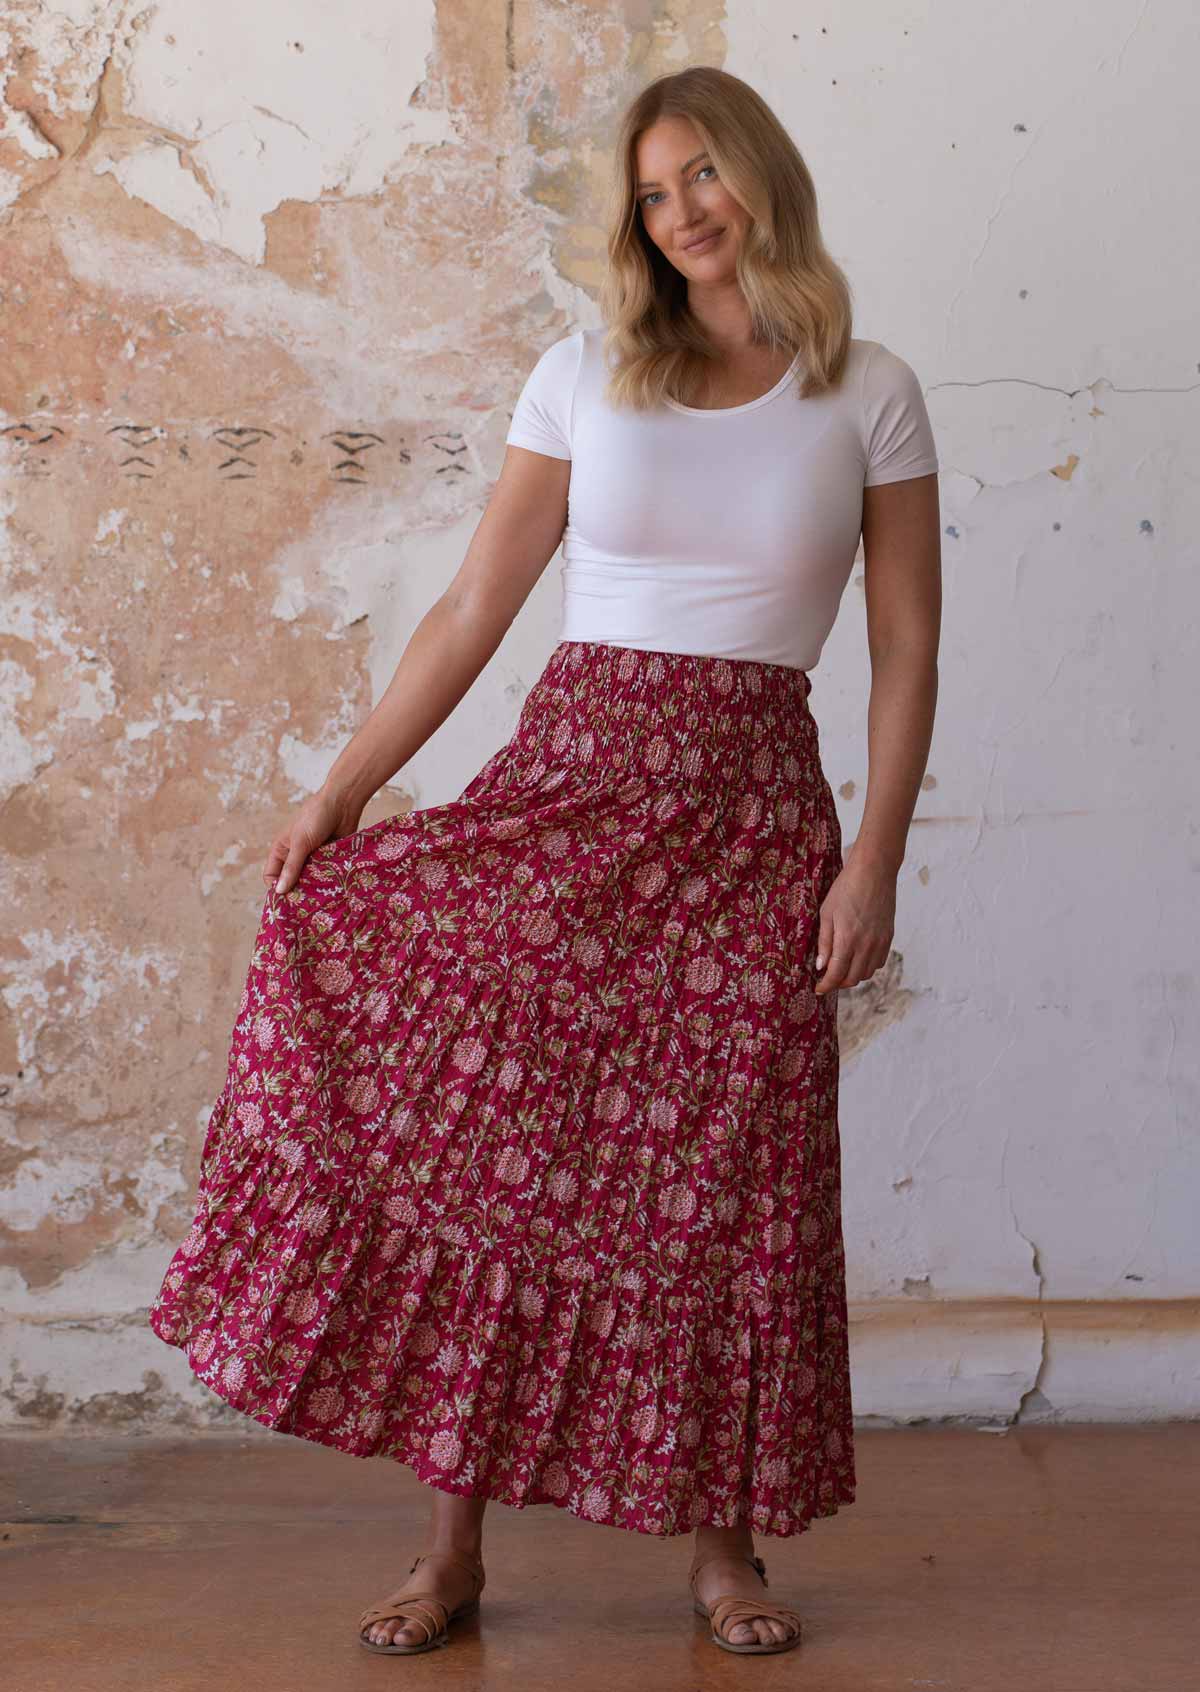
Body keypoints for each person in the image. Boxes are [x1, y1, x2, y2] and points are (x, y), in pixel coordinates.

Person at [147, 64, 940, 1660]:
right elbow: (470, 609)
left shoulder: (870, 389)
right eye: (654, 193)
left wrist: (875, 867)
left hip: (751, 830)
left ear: (760, 179)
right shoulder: (585, 375)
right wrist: (346, 791)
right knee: (497, 1163)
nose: (685, 210)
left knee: (726, 1188)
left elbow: (908, 657)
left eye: (704, 173)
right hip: (570, 800)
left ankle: (725, 1555)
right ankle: (452, 1552)